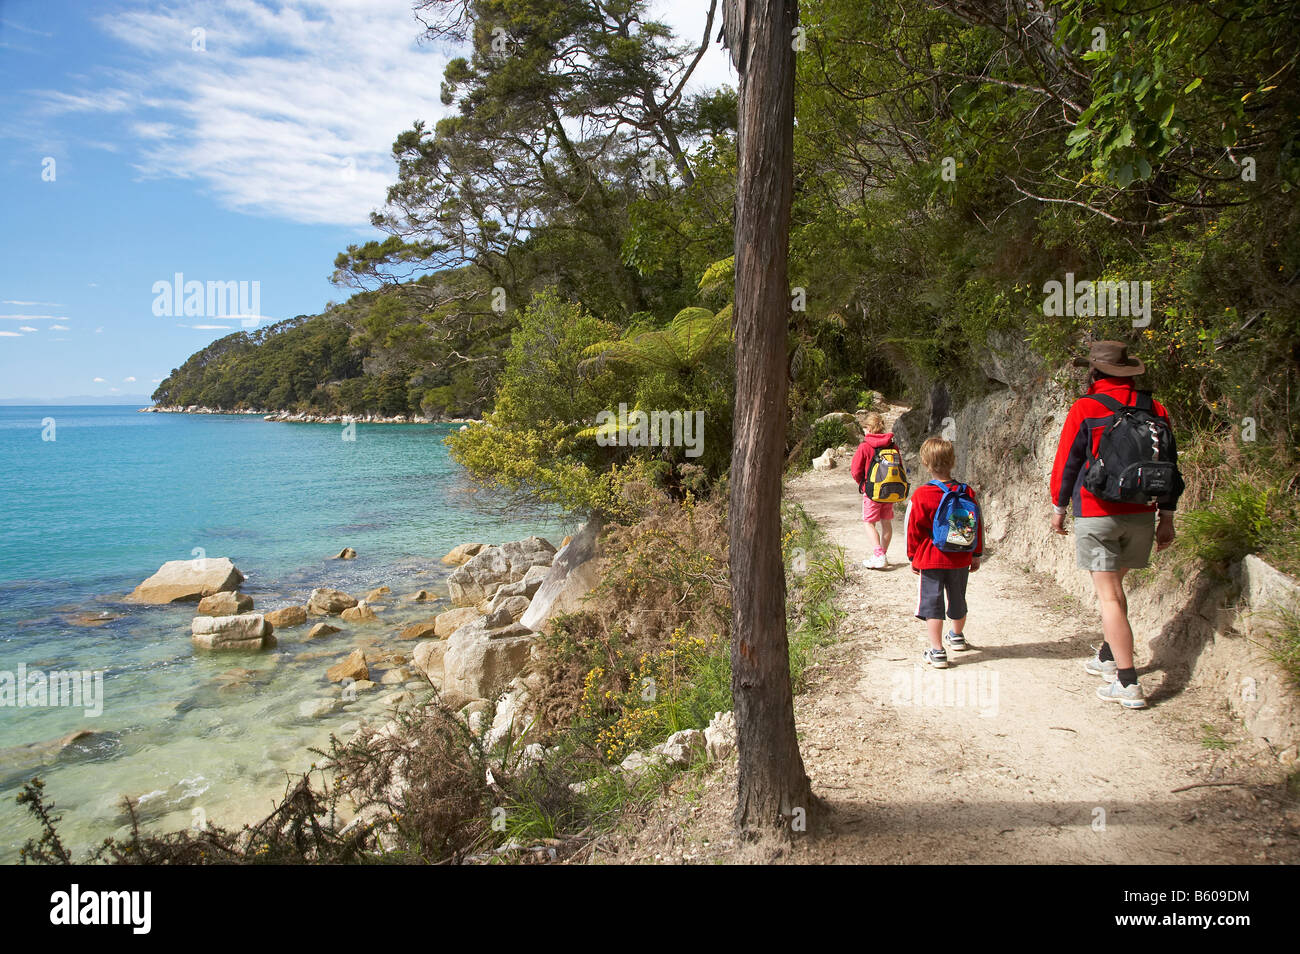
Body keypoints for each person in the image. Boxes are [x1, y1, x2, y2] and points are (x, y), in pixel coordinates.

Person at [1049, 341, 1180, 710]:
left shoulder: (1086, 408)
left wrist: (1058, 508)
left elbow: (1068, 463)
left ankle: (1127, 680)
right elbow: (1169, 465)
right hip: (1142, 512)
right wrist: (1166, 516)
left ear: (1094, 372)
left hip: (1097, 511)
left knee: (1108, 596)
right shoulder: (1155, 408)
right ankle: (1108, 655)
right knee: (1116, 589)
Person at [906, 437, 983, 669]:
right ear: (953, 461)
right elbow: (976, 524)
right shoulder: (966, 491)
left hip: (931, 559)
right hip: (960, 557)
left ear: (926, 463)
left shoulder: (922, 494)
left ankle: (937, 650)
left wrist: (913, 557)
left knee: (933, 603)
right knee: (958, 598)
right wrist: (976, 553)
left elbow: (914, 530)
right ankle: (957, 636)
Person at [850, 412, 900, 568]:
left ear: (869, 428)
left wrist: (863, 484)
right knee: (886, 523)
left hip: (872, 492)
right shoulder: (892, 445)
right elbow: (899, 467)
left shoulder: (865, 446)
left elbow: (855, 470)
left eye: (865, 427)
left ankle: (878, 555)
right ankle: (883, 555)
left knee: (869, 523)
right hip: (890, 490)